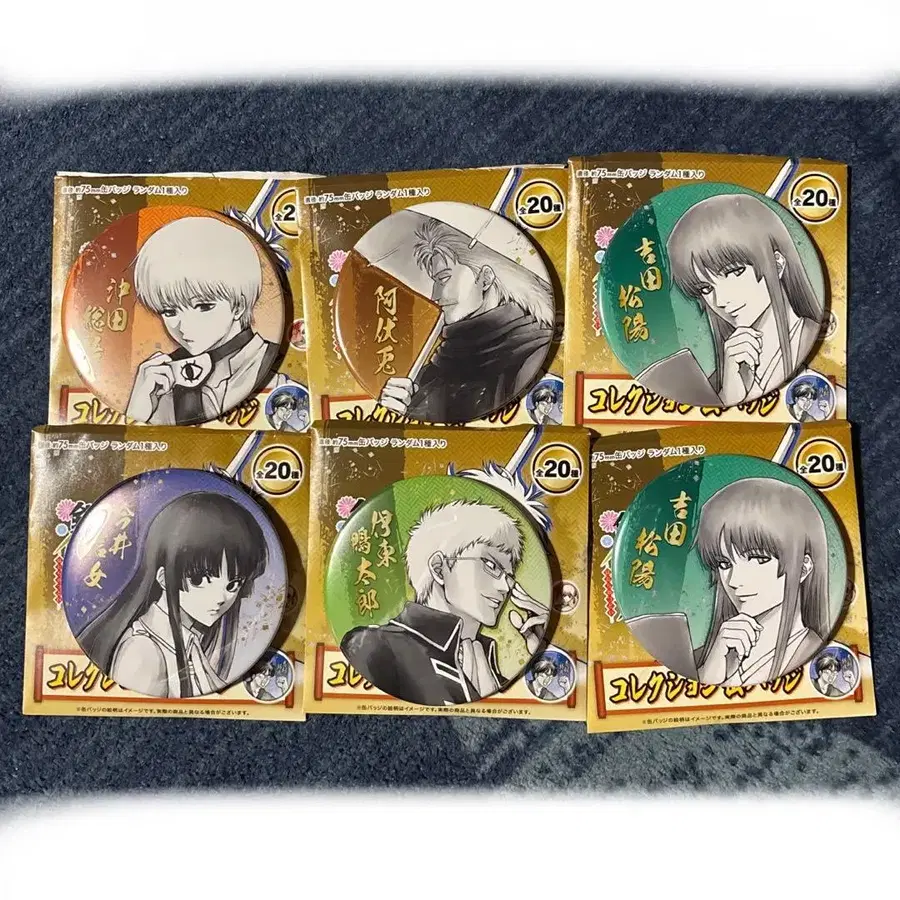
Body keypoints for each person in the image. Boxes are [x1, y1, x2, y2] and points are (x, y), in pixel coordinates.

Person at [341, 499, 550, 705]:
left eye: (508, 576)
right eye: (491, 565)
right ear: (439, 568)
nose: (505, 586)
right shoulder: (374, 647)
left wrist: (544, 653)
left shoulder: (493, 670)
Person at [626, 477, 831, 686]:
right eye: (724, 563)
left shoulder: (821, 659)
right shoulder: (697, 661)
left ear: (803, 567)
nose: (734, 580)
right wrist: (707, 676)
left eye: (758, 559)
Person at [75, 491, 269, 698]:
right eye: (199, 580)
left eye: (233, 584)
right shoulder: (143, 652)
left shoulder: (187, 642)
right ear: (163, 577)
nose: (221, 598)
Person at [641, 194, 824, 408]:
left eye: (734, 272)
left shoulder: (817, 352)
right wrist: (728, 397)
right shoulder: (717, 382)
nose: (720, 300)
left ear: (777, 264)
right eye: (706, 288)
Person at [377, 217, 555, 423]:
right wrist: (400, 409)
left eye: (444, 278)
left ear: (485, 278)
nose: (435, 296)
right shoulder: (434, 370)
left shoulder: (533, 357)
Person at [126, 216, 282, 425]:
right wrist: (138, 410)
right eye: (169, 311)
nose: (184, 327)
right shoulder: (161, 381)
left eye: (204, 306)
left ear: (238, 306)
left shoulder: (275, 367)